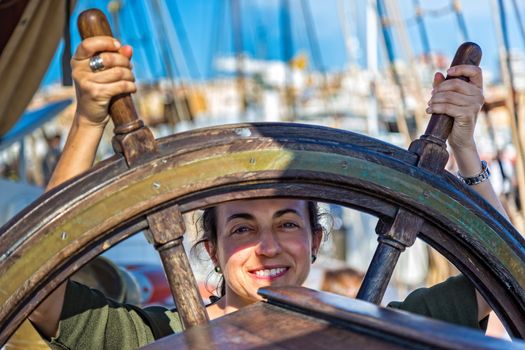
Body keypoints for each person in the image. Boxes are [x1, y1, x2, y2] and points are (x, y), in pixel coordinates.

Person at [28, 36, 504, 349]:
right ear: (211, 249)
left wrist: (464, 146)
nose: (268, 246)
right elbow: (38, 294)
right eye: (242, 227)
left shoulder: (376, 329)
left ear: (316, 241)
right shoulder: (158, 336)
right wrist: (88, 121)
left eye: (287, 223)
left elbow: (500, 283)